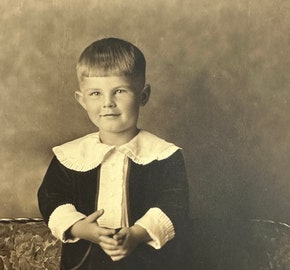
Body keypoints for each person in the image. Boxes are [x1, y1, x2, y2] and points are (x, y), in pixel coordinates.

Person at [38, 37, 189, 270]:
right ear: (82, 100)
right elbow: (52, 199)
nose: (108, 103)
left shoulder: (164, 155)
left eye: (119, 91)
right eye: (96, 94)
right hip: (85, 263)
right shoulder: (69, 156)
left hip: (148, 263)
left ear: (143, 95)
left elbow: (174, 205)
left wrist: (137, 234)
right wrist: (82, 228)